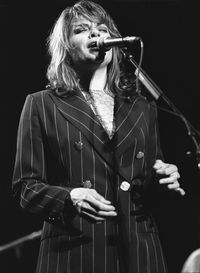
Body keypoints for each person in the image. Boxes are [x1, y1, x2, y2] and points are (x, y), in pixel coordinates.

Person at [12, 1, 185, 273]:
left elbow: (149, 180)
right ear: (66, 47)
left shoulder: (143, 106)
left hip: (140, 253)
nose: (95, 34)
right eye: (82, 29)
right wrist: (70, 198)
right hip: (75, 252)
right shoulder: (41, 104)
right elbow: (25, 187)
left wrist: (165, 180)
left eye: (101, 28)